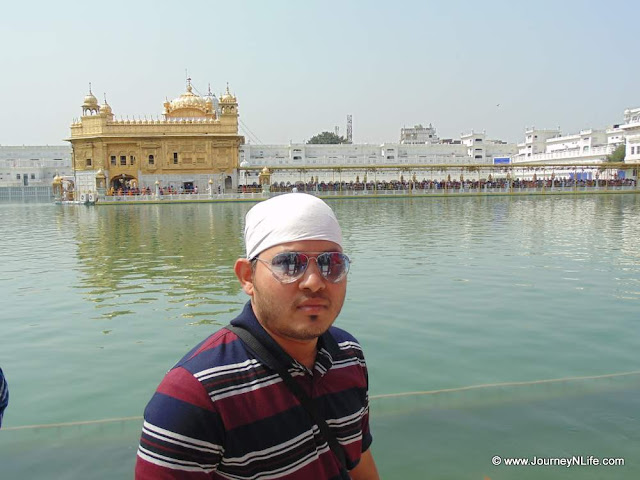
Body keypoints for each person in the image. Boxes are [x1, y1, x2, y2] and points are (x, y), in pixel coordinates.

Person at [136, 193, 379, 479]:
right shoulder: (195, 394)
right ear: (247, 278)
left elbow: (357, 457)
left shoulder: (347, 355)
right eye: (290, 264)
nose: (315, 282)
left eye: (331, 263)